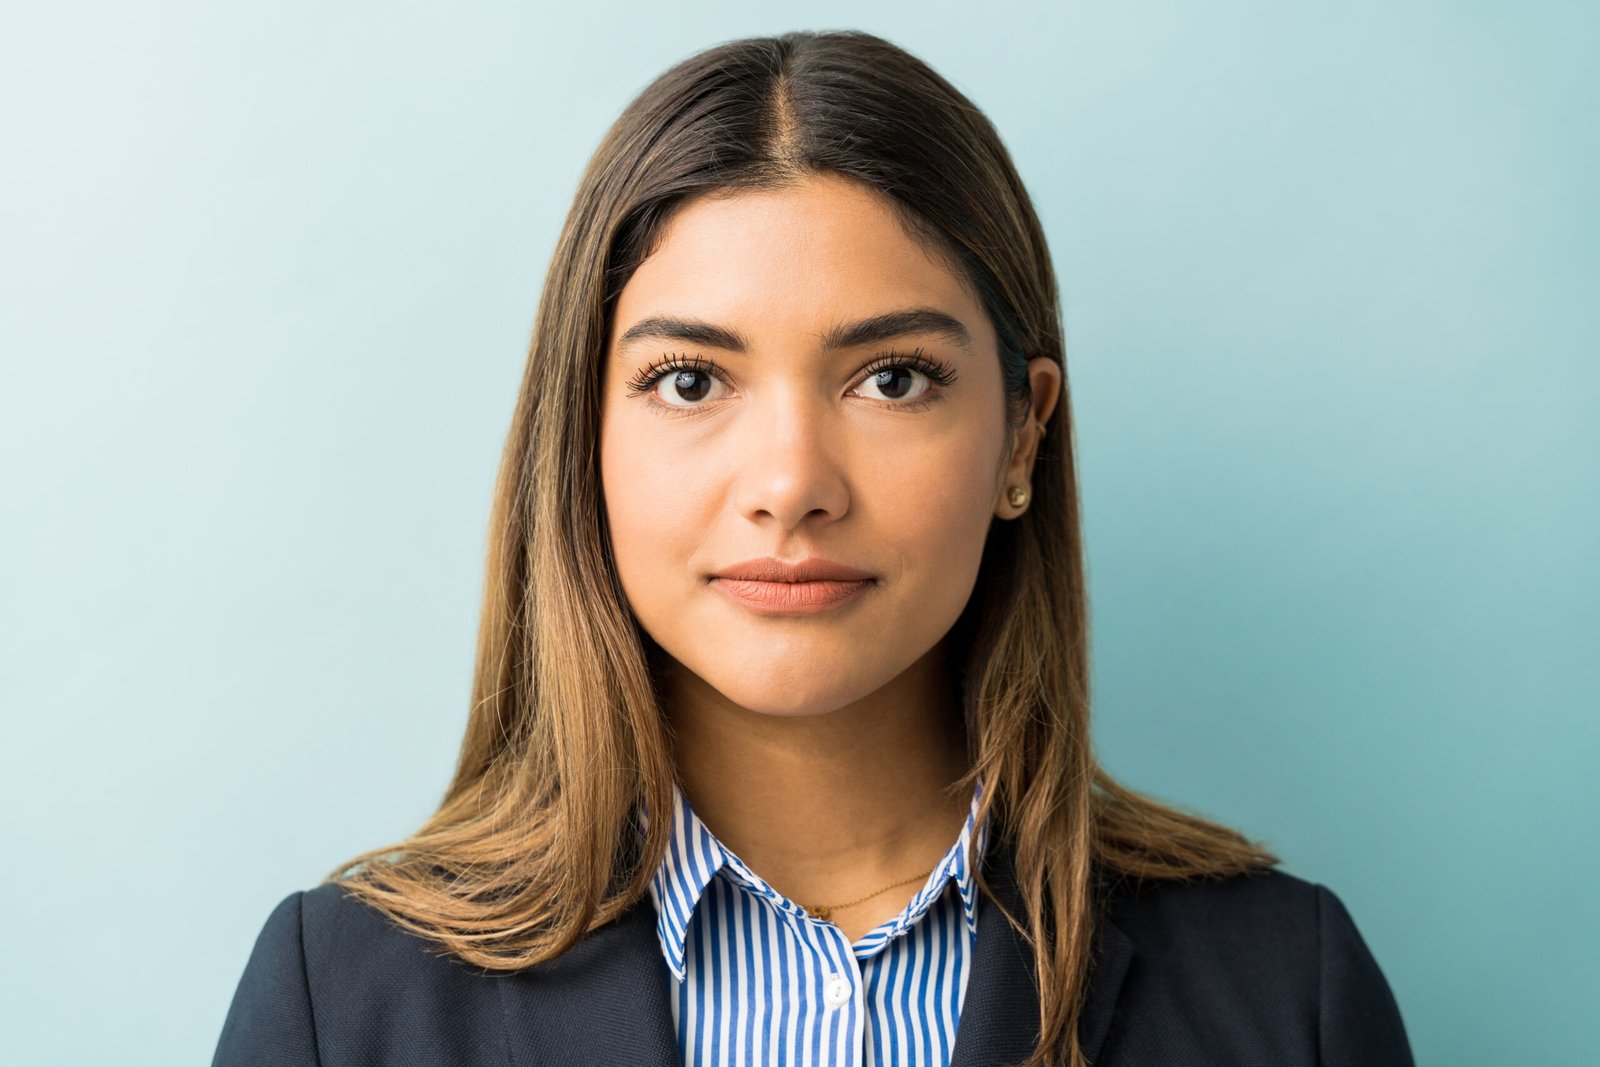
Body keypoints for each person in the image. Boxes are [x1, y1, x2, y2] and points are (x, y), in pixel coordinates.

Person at [212, 28, 1414, 1067]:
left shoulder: (1281, 990)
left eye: (892, 378)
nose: (789, 485)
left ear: (1021, 433)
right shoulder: (345, 1000)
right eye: (689, 380)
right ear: (582, 435)